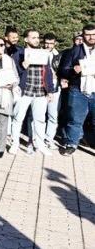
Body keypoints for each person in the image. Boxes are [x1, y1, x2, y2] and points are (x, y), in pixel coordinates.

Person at [9, 30, 55, 156]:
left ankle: (40, 145)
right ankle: (14, 144)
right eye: (33, 37)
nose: (36, 40)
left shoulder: (43, 54)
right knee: (18, 118)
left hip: (40, 92)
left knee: (40, 120)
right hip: (25, 92)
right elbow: (13, 73)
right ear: (26, 39)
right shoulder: (19, 54)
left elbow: (49, 73)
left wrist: (50, 90)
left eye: (37, 37)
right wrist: (22, 66)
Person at [60, 24, 95, 156]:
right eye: (88, 34)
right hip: (78, 90)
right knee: (75, 119)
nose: (91, 37)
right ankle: (71, 144)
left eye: (93, 34)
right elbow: (63, 70)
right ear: (83, 35)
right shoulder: (74, 51)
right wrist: (73, 71)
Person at [43, 33, 61, 149]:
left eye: (51, 43)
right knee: (37, 115)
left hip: (55, 87)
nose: (48, 45)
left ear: (55, 43)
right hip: (40, 87)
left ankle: (49, 139)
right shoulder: (38, 53)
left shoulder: (59, 55)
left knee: (53, 115)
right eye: (46, 43)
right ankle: (35, 138)